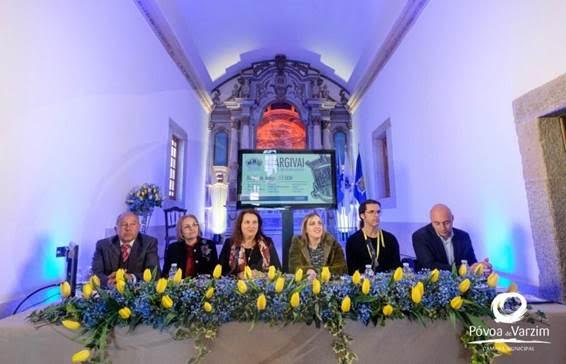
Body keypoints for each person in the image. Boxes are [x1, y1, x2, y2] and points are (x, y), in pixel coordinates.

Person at [412, 204, 492, 273]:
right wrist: (464, 270)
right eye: (437, 223)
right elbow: (429, 267)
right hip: (435, 286)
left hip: (461, 284)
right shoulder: (420, 237)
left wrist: (480, 268)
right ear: (431, 221)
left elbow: (471, 263)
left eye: (446, 222)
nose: (442, 228)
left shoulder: (463, 236)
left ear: (452, 218)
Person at [91, 211, 159, 287]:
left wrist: (131, 278)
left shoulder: (149, 243)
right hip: (109, 292)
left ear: (139, 227)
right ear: (116, 229)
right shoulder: (103, 245)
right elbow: (96, 272)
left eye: (132, 224)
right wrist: (109, 281)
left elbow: (154, 273)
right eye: (123, 224)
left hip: (137, 292)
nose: (128, 228)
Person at [219, 209, 281, 278]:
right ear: (240, 225)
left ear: (258, 225)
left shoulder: (267, 242)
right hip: (235, 287)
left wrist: (262, 275)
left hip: (262, 287)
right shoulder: (229, 243)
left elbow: (278, 271)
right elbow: (221, 272)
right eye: (247, 222)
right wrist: (238, 276)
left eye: (254, 222)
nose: (251, 226)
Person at [346, 199, 401, 274]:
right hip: (363, 283)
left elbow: (396, 267)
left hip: (387, 283)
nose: (376, 215)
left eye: (378, 212)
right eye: (371, 212)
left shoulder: (390, 239)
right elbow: (352, 270)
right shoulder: (353, 241)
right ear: (362, 215)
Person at [288, 212, 347, 279]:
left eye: (320, 223)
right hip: (305, 286)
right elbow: (293, 267)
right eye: (312, 224)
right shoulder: (297, 243)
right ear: (306, 229)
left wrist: (323, 273)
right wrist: (307, 271)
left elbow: (342, 267)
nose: (317, 226)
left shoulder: (332, 243)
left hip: (329, 285)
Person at [162, 214, 218, 278]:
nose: (192, 228)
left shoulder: (209, 245)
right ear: (181, 231)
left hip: (203, 285)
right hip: (179, 285)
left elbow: (214, 271)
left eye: (194, 225)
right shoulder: (173, 248)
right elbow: (166, 273)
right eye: (187, 227)